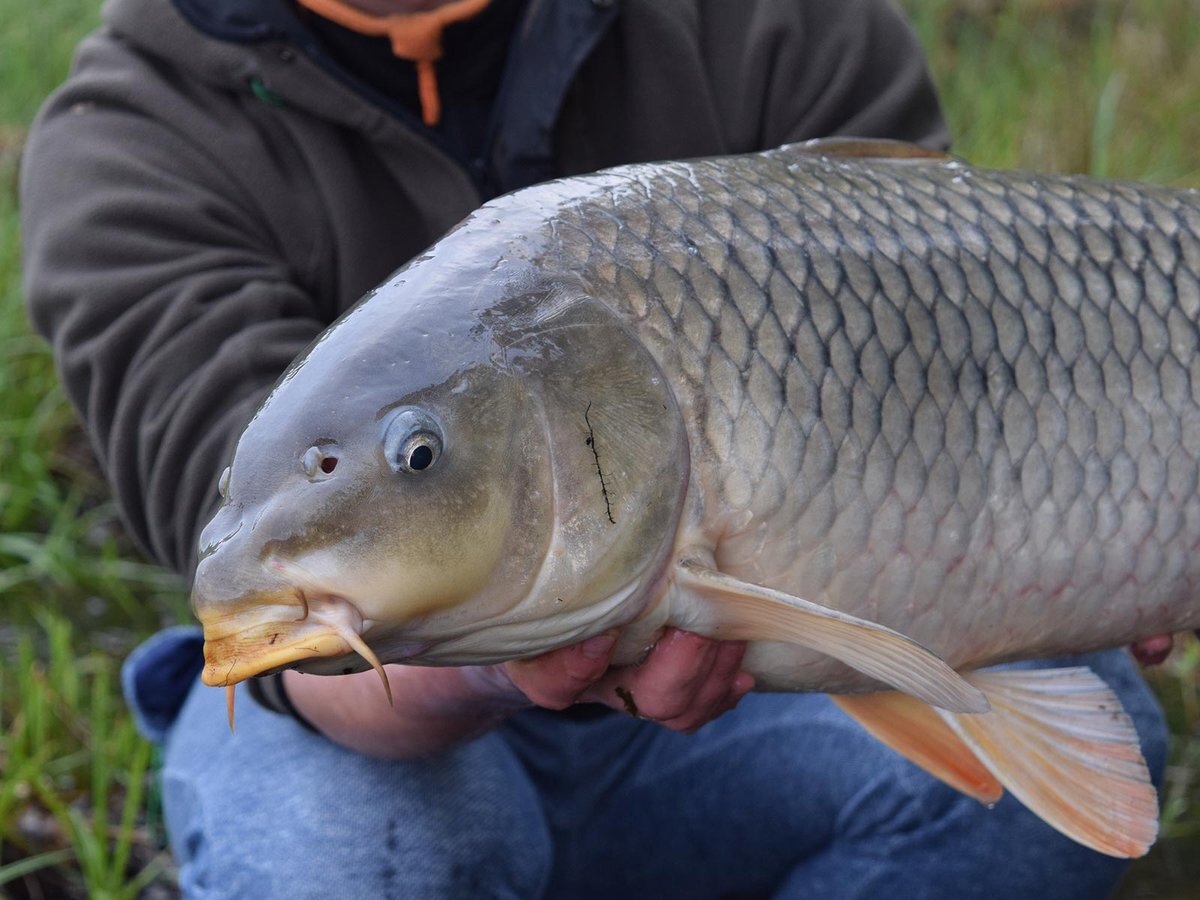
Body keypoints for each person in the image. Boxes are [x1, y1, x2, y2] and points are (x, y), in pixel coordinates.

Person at [20, 0, 1169, 896]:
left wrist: (1111, 531)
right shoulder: (126, 148)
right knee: (339, 852)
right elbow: (282, 606)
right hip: (380, 735)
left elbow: (974, 349)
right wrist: (508, 654)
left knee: (1026, 784)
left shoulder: (768, 18)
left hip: (760, 712)